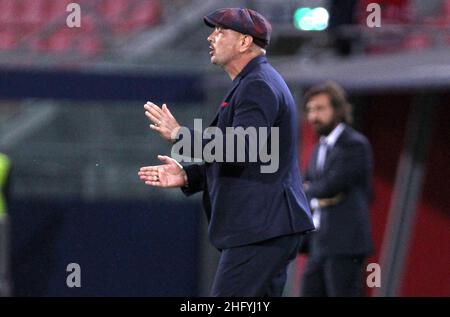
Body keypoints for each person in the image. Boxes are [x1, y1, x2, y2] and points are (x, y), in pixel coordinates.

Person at [138, 8, 314, 296]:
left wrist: (180, 135)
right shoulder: (253, 82)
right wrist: (188, 175)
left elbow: (244, 147)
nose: (211, 38)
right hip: (266, 227)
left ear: (245, 42)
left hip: (260, 228)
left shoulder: (257, 85)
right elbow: (247, 156)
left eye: (220, 32)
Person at [299, 82, 374, 297]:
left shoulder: (354, 144)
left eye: (320, 109)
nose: (314, 116)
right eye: (310, 110)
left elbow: (330, 186)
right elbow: (309, 185)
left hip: (344, 245)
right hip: (318, 244)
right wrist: (310, 188)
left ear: (338, 110)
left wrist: (309, 188)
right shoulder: (319, 147)